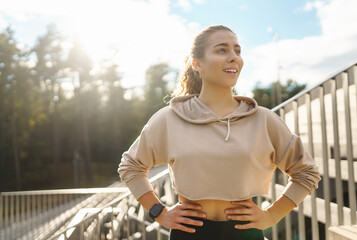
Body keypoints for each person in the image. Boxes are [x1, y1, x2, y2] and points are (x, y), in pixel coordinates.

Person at [117, 25, 321, 240]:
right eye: (222, 50)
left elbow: (306, 172)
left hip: (245, 233)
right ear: (197, 63)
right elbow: (131, 166)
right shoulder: (170, 118)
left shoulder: (263, 119)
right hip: (189, 233)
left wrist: (272, 215)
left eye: (237, 51)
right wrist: (159, 211)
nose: (233, 57)